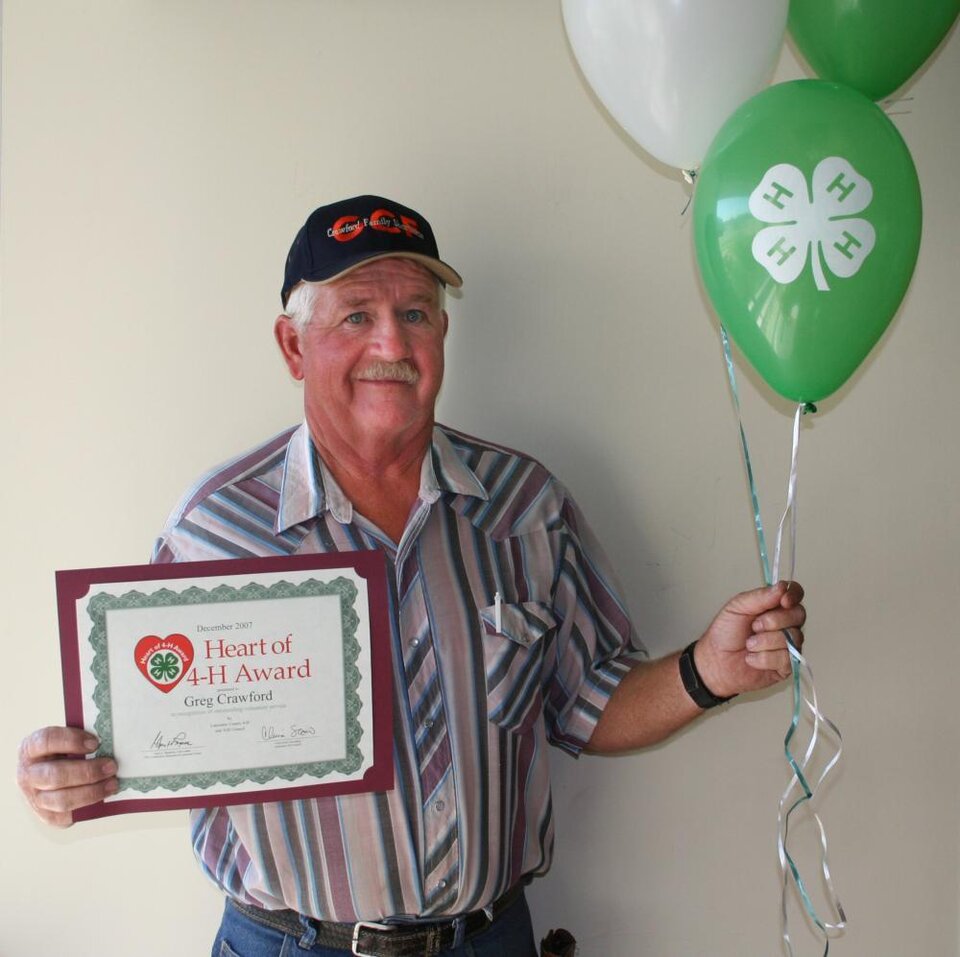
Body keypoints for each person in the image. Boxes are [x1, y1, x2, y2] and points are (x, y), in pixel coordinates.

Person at [17, 195, 805, 957]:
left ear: (443, 332)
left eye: (416, 313)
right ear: (294, 347)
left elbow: (591, 699)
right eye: (356, 314)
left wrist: (709, 670)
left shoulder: (526, 505)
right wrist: (68, 775)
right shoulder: (213, 532)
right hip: (289, 946)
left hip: (489, 940)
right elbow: (145, 743)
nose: (392, 344)